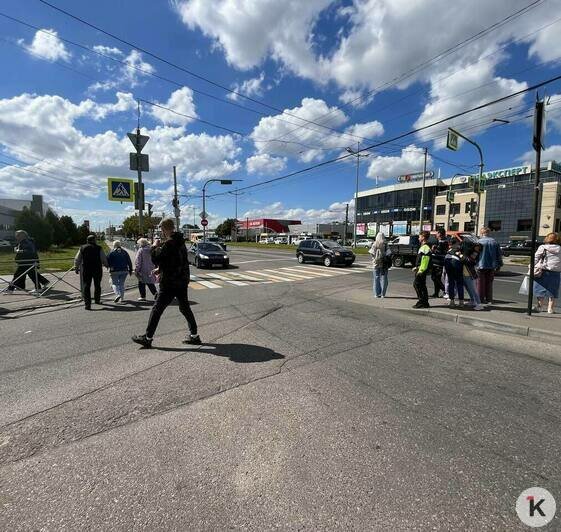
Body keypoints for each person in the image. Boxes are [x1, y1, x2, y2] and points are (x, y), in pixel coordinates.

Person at [132, 218, 200, 348]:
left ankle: (147, 338)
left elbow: (156, 258)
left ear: (164, 229)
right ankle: (194, 336)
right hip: (181, 280)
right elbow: (175, 261)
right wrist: (160, 269)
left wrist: (154, 246)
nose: (162, 232)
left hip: (170, 282)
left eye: (162, 229)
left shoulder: (169, 243)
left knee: (157, 309)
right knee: (185, 308)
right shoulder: (180, 241)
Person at [74, 234, 108, 310]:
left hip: (86, 269)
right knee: (97, 285)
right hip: (97, 269)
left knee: (86, 286)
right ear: (94, 240)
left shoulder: (82, 248)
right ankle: (97, 300)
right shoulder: (99, 248)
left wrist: (76, 267)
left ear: (87, 240)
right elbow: (103, 258)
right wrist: (107, 265)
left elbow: (77, 258)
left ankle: (87, 304)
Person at [532, 232, 561, 314]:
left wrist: (531, 266)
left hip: (543, 271)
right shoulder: (560, 248)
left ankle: (539, 306)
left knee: (540, 289)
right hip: (556, 272)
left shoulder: (543, 247)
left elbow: (535, 258)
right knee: (553, 290)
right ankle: (550, 309)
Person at [477, 227, 503, 305]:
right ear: (489, 233)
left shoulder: (479, 242)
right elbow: (499, 255)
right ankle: (489, 299)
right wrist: (499, 265)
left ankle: (480, 299)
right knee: (489, 283)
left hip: (481, 265)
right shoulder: (494, 242)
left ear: (481, 233)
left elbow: (476, 254)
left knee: (480, 283)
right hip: (492, 266)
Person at [460, 241, 484, 310]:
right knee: (468, 288)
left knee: (473, 289)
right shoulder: (470, 251)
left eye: (478, 247)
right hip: (465, 273)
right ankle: (473, 301)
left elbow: (469, 261)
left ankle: (479, 304)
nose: (476, 248)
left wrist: (461, 255)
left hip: (469, 274)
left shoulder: (475, 253)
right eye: (476, 246)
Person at [412, 231, 432, 309]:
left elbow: (425, 260)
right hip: (421, 269)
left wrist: (420, 269)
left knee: (417, 284)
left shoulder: (425, 247)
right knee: (422, 285)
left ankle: (421, 302)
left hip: (421, 270)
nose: (418, 238)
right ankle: (425, 302)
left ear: (423, 238)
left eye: (419, 236)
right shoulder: (425, 246)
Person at [444, 237, 464, 308]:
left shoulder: (448, 252)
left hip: (449, 268)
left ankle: (452, 302)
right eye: (458, 243)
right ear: (455, 244)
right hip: (457, 267)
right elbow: (463, 260)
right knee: (459, 285)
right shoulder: (458, 251)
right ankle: (461, 302)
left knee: (451, 285)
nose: (459, 245)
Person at [368, 232, 389, 298]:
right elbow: (389, 253)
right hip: (384, 264)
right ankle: (383, 294)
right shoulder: (385, 244)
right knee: (384, 278)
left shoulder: (375, 243)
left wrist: (375, 258)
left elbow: (371, 253)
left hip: (376, 264)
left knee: (376, 278)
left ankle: (376, 294)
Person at [431, 227, 448, 298]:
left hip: (439, 263)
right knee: (435, 278)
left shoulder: (442, 242)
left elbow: (439, 252)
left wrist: (433, 250)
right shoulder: (441, 241)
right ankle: (436, 293)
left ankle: (445, 290)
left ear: (440, 234)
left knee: (435, 278)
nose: (436, 234)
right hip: (437, 262)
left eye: (437, 233)